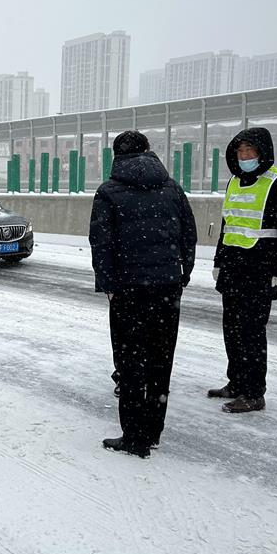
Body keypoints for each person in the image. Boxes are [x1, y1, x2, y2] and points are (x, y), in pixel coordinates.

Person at [89, 131, 197, 458]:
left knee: (130, 362)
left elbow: (102, 243)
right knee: (160, 361)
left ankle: (133, 436)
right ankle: (153, 432)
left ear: (116, 156)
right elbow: (188, 236)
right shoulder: (172, 188)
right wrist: (181, 275)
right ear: (149, 152)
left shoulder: (109, 192)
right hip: (166, 287)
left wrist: (108, 285)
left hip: (127, 290)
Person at [208, 127, 277, 413]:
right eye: (240, 151)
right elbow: (228, 224)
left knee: (252, 332)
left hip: (261, 268)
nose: (245, 156)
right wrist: (218, 260)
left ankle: (253, 392)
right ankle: (235, 382)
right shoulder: (234, 182)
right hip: (233, 267)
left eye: (250, 151)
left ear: (262, 152)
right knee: (232, 329)